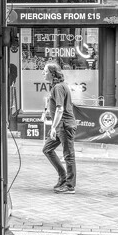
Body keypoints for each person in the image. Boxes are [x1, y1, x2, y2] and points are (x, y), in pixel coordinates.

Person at [42, 62, 77, 193]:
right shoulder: (57, 87)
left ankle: (69, 186)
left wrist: (53, 127)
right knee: (47, 149)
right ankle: (63, 178)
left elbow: (60, 109)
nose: (43, 73)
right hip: (61, 125)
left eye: (45, 71)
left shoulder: (58, 87)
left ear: (52, 73)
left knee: (69, 155)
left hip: (64, 125)